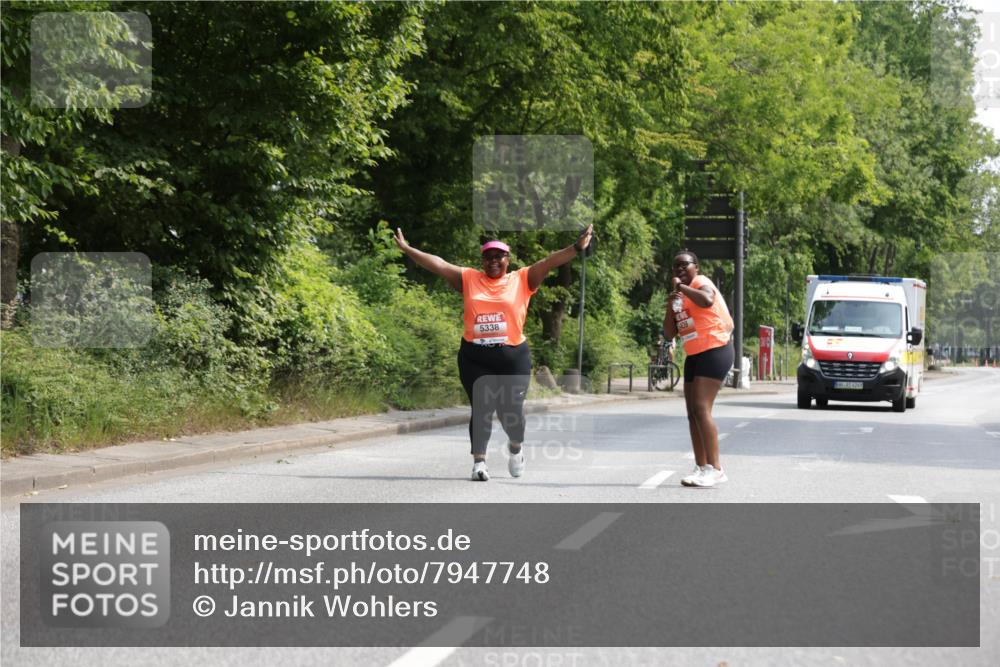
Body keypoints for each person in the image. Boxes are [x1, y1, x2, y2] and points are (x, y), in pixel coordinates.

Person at [393, 225, 594, 481]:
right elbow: (439, 264)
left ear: (507, 260)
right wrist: (408, 249)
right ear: (482, 261)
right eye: (488, 257)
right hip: (475, 357)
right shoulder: (469, 279)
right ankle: (479, 462)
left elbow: (548, 261)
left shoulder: (522, 279)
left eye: (499, 257)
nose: (493, 261)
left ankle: (516, 448)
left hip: (513, 358)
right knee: (482, 408)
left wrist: (576, 248)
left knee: (510, 412)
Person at [662, 250, 734, 488]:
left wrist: (681, 288)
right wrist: (671, 305)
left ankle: (716, 468)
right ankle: (701, 467)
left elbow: (707, 300)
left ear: (696, 267)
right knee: (692, 413)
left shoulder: (700, 283)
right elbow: (669, 333)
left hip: (715, 349)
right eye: (675, 267)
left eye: (684, 265)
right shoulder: (679, 295)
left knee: (702, 409)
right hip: (694, 353)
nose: (680, 269)